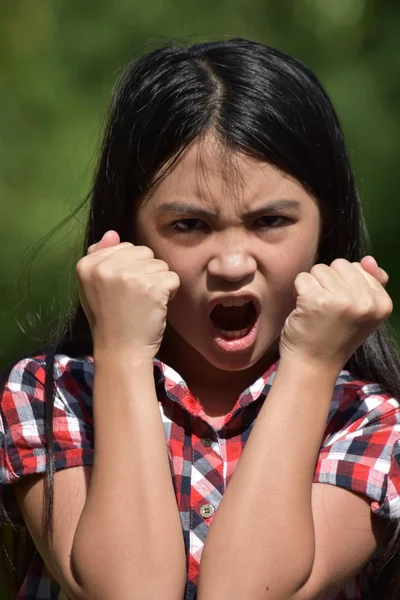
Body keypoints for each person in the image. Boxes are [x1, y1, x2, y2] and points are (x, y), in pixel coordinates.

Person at [1, 37, 400, 600]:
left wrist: (310, 363)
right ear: (130, 234)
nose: (232, 264)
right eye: (189, 225)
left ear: (326, 227)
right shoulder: (53, 395)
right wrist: (119, 351)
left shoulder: (370, 419)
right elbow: (129, 590)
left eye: (270, 221)